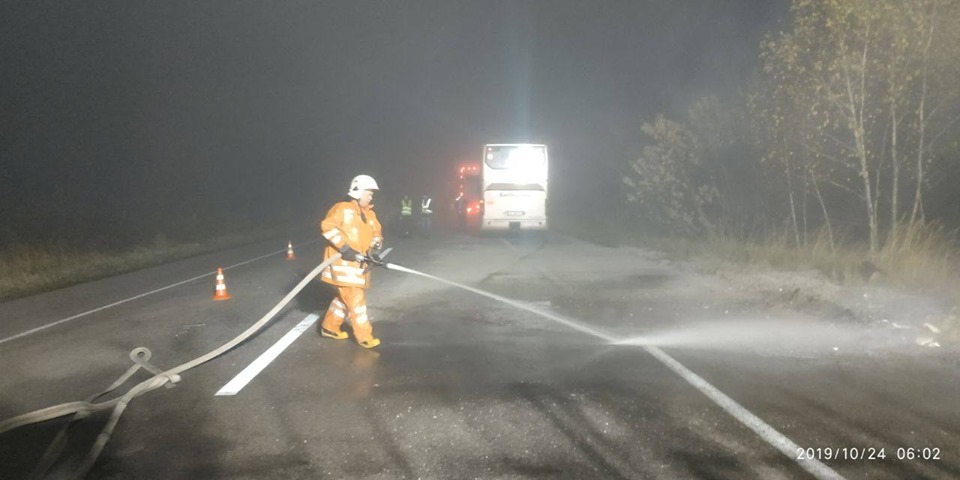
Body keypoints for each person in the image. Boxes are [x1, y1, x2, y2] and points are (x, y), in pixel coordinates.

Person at [319, 174, 384, 349]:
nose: (371, 197)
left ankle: (329, 328)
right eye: (368, 193)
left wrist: (375, 249)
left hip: (358, 265)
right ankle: (365, 337)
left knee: (344, 299)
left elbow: (376, 234)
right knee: (356, 301)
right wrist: (344, 248)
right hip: (342, 264)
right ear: (358, 192)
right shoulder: (342, 209)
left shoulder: (370, 215)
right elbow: (327, 227)